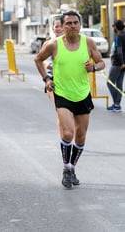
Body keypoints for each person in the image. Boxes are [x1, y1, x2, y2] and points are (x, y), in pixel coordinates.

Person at [34, 10, 105, 189]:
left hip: (82, 94)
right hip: (62, 93)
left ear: (80, 25)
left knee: (81, 138)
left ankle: (72, 167)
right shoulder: (54, 45)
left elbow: (101, 62)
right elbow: (38, 59)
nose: (72, 26)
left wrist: (94, 68)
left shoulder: (88, 43)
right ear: (62, 26)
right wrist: (46, 79)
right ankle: (66, 169)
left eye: (75, 23)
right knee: (68, 133)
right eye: (68, 23)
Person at [42, 15, 64, 104]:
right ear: (53, 28)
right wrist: (47, 63)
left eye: (61, 26)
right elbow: (41, 59)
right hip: (53, 79)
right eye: (56, 26)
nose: (59, 29)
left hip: (68, 79)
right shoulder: (48, 43)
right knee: (59, 107)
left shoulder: (71, 43)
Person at [106, 19, 125, 112]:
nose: (113, 28)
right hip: (122, 64)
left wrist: (122, 63)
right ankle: (117, 105)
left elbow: (119, 50)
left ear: (116, 27)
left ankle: (116, 103)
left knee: (109, 83)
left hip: (118, 64)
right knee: (119, 84)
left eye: (114, 26)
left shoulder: (119, 37)